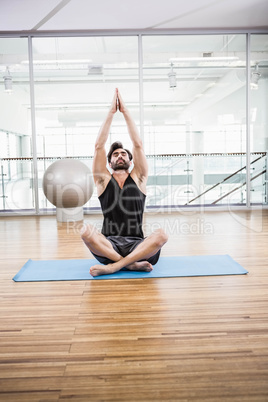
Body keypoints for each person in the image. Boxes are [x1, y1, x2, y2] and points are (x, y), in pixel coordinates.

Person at [81, 88, 168, 276]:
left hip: (138, 245)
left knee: (161, 234)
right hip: (109, 245)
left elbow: (138, 144)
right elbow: (98, 146)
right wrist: (112, 112)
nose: (120, 156)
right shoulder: (102, 180)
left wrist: (125, 111)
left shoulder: (139, 177)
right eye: (115, 154)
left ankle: (114, 266)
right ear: (110, 162)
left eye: (123, 154)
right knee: (86, 232)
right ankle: (129, 265)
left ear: (130, 161)